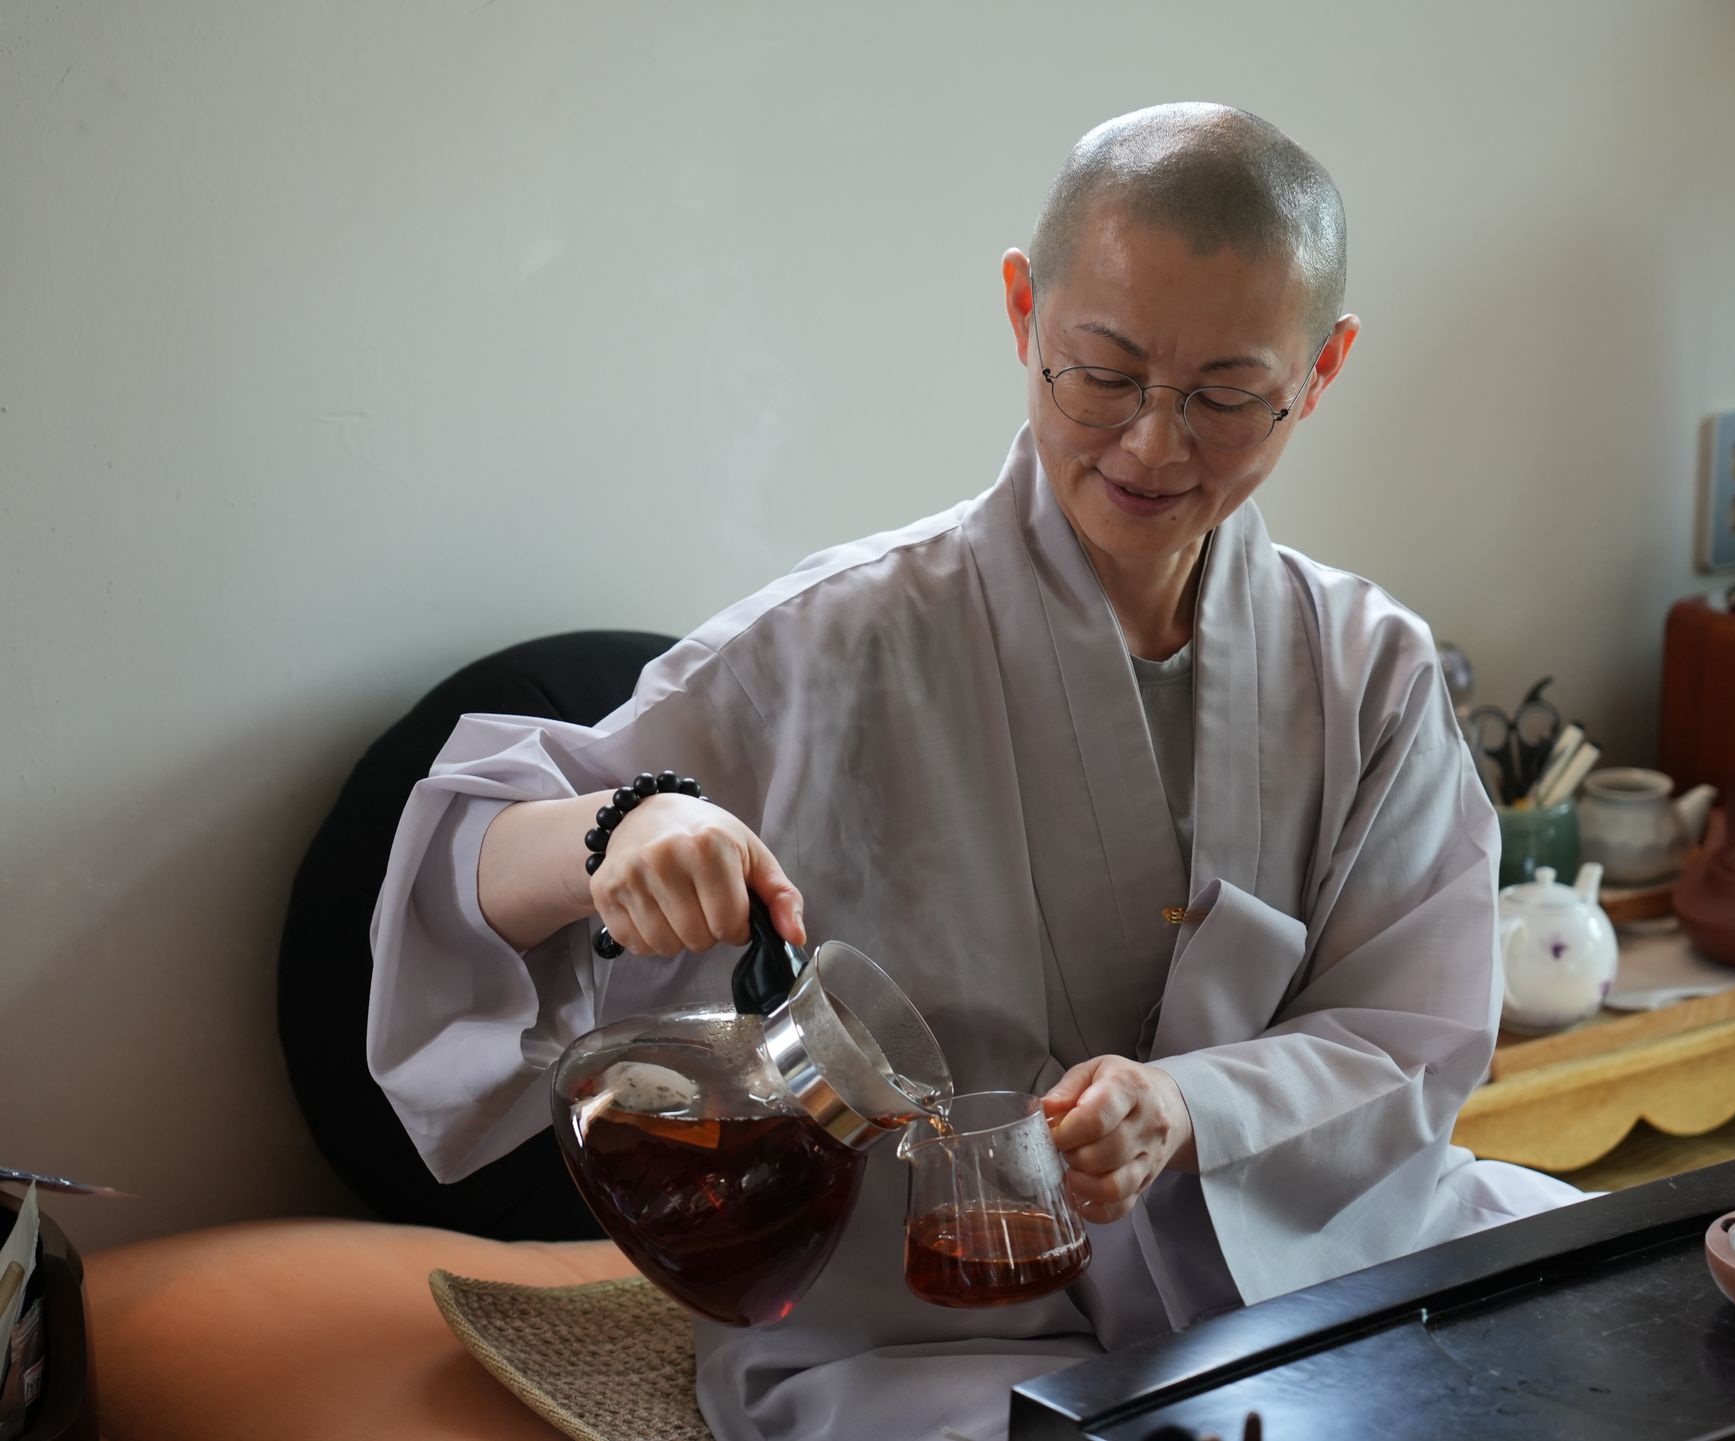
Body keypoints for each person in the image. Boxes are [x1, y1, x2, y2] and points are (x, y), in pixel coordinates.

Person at [369, 102, 1582, 1441]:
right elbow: (468, 856)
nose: (1152, 444)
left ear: (1324, 366)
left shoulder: (1367, 668)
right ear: (1023, 311)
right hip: (928, 1333)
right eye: (1102, 374)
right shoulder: (840, 640)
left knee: (1636, 1316)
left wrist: (1188, 1104)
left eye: (1226, 395)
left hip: (1315, 1260)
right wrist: (621, 828)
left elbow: (1412, 1032)